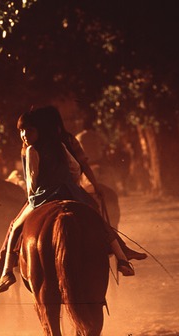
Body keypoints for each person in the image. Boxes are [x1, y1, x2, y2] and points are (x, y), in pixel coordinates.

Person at [0, 108, 137, 295]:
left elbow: (32, 179)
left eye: (28, 130)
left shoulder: (31, 150)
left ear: (39, 130)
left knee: (14, 227)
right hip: (70, 191)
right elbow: (76, 167)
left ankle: (6, 271)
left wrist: (32, 198)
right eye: (21, 131)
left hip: (43, 195)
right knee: (97, 219)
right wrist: (71, 184)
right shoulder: (61, 144)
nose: (24, 135)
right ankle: (122, 258)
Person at [34, 105, 147, 262]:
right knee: (96, 213)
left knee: (19, 226)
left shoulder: (36, 144)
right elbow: (80, 165)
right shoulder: (70, 139)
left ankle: (8, 262)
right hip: (75, 183)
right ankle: (121, 250)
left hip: (43, 193)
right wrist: (94, 185)